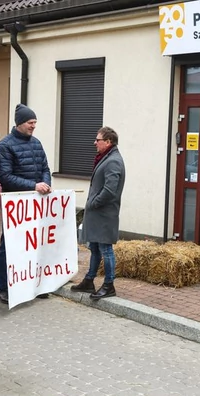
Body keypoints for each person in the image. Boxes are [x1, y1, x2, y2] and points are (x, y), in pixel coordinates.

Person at [0, 104, 51, 305]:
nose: (33, 126)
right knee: (9, 246)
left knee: (34, 244)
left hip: (35, 203)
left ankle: (32, 283)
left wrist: (46, 184)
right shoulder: (5, 146)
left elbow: (45, 168)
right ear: (19, 124)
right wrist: (35, 185)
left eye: (35, 122)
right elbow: (5, 177)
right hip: (16, 204)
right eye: (30, 122)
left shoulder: (36, 143)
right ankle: (4, 288)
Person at [71, 126, 126, 300]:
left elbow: (110, 190)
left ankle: (109, 285)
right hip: (97, 214)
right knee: (94, 247)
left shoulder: (113, 161)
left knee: (105, 249)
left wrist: (92, 203)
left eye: (98, 140)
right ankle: (89, 281)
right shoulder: (106, 158)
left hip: (104, 214)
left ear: (108, 142)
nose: (95, 142)